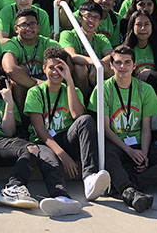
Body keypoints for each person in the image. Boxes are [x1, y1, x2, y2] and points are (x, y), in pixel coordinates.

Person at [0, 61, 81, 216]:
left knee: (32, 148)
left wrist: (9, 103)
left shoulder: (3, 100)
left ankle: (14, 187)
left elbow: (8, 131)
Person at [87, 45, 157, 213]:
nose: (122, 67)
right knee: (106, 153)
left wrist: (144, 154)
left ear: (134, 65)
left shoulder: (145, 90)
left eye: (127, 62)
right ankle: (128, 191)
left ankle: (124, 183)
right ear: (111, 65)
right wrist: (129, 152)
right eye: (118, 63)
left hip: (139, 142)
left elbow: (146, 128)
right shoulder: (103, 89)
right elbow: (105, 129)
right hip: (116, 144)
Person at [23, 47, 111, 207]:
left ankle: (89, 178)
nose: (56, 72)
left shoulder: (73, 90)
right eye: (51, 67)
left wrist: (69, 80)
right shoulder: (35, 92)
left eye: (61, 68)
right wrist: (63, 155)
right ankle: (61, 197)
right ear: (44, 69)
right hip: (45, 142)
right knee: (50, 160)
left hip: (67, 137)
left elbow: (77, 116)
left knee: (86, 120)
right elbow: (41, 131)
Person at [1, 9, 59, 107]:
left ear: (38, 27)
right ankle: (24, 119)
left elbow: (65, 64)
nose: (28, 28)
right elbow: (10, 69)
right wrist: (36, 83)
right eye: (23, 25)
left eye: (32, 24)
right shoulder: (12, 44)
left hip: (47, 78)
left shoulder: (48, 43)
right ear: (16, 29)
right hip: (28, 81)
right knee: (16, 80)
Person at [60, 0, 114, 88]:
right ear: (80, 18)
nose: (91, 20)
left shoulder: (101, 38)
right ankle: (84, 99)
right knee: (80, 68)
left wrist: (99, 65)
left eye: (96, 17)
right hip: (76, 79)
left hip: (95, 75)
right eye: (88, 16)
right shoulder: (67, 34)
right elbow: (72, 56)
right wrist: (94, 62)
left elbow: (111, 55)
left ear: (100, 22)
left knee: (111, 68)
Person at [119, 9, 157, 90]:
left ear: (152, 26)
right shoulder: (124, 51)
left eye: (147, 24)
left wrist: (151, 73)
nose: (143, 28)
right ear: (132, 27)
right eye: (139, 24)